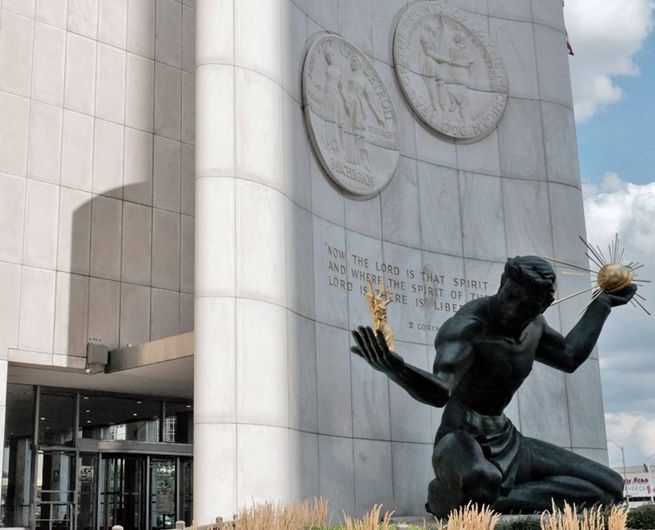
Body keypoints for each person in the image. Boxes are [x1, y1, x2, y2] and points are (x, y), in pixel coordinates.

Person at [351, 256, 635, 517]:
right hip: (461, 440)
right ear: (502, 283)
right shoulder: (467, 327)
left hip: (508, 439)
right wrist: (398, 369)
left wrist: (602, 305)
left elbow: (570, 356)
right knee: (481, 477)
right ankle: (480, 495)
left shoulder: (534, 328)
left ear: (543, 306)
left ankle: (486, 500)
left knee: (611, 487)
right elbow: (441, 392)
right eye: (510, 296)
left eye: (527, 306)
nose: (512, 310)